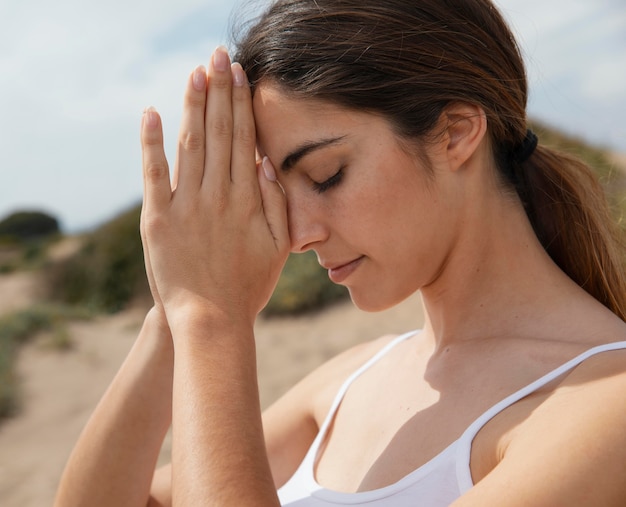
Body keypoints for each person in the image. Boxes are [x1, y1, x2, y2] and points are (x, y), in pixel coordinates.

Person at [54, 0, 626, 505]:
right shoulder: (351, 379)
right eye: (280, 189)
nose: (299, 234)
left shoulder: (604, 406)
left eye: (326, 176)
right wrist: (174, 310)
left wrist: (211, 319)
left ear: (455, 132)